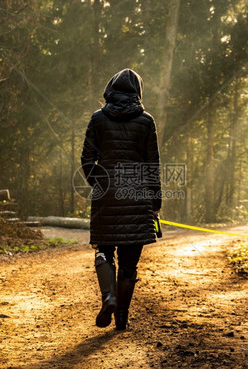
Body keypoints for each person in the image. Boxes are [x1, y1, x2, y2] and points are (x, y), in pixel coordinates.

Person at [81, 68, 161, 330]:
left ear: (111, 89)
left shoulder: (97, 118)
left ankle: (109, 297)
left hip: (106, 197)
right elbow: (152, 166)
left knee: (104, 251)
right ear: (138, 91)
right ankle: (122, 319)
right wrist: (155, 202)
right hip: (138, 197)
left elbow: (86, 160)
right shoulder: (147, 121)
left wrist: (100, 183)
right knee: (129, 263)